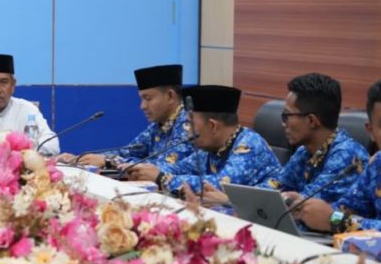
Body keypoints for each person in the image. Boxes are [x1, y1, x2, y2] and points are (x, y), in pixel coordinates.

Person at [125, 85, 282, 195]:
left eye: (190, 124)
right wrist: (141, 170)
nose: (187, 133)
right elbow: (177, 168)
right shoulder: (210, 148)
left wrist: (162, 178)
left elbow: (220, 184)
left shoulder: (249, 145)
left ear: (212, 126)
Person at [259, 73, 368, 205]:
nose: (283, 123)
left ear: (312, 121)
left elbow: (307, 205)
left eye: (286, 115)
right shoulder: (304, 152)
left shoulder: (347, 156)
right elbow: (276, 186)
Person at [296, 80, 381, 233]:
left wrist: (336, 222)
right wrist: (305, 209)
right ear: (371, 131)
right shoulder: (377, 165)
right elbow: (345, 209)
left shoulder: (348, 152)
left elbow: (337, 219)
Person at [73, 64, 195, 168]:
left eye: (148, 98)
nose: (142, 106)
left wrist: (109, 161)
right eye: (142, 99)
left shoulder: (188, 124)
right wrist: (83, 158)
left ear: (170, 96)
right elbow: (128, 152)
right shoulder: (158, 125)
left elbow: (164, 167)